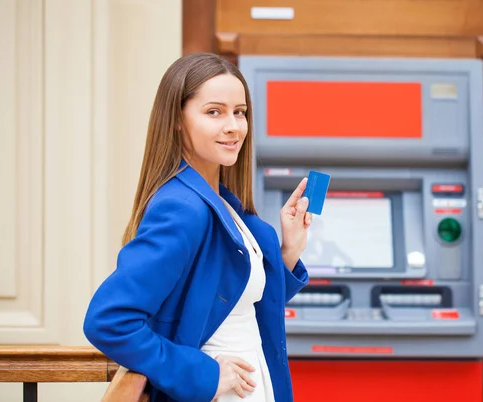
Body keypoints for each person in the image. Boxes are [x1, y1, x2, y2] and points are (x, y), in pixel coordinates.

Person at [83, 52, 312, 402]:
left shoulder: (222, 203)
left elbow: (231, 303)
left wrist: (288, 254)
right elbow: (109, 321)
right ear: (177, 119)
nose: (233, 126)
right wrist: (204, 373)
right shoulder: (182, 208)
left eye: (240, 112)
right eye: (214, 112)